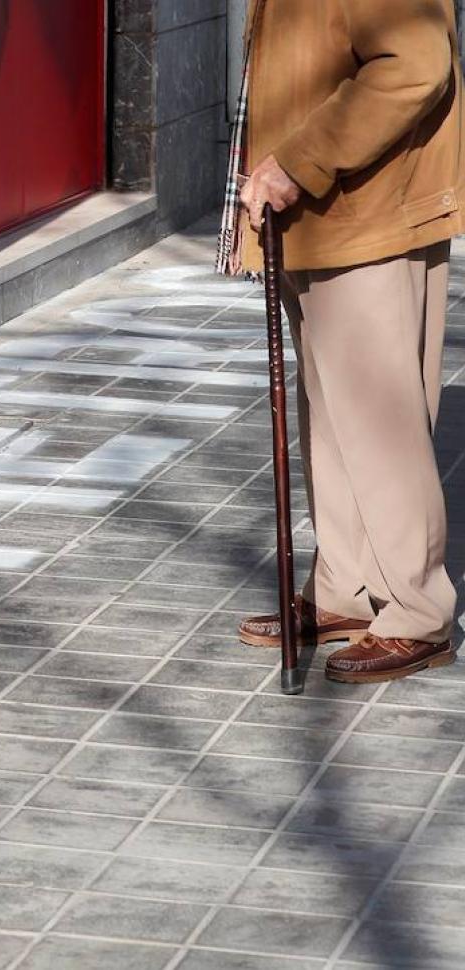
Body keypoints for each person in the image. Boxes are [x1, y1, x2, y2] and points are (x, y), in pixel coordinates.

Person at [217, 0, 463, 683]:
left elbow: (414, 65)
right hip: (321, 213)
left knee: (379, 418)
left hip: (364, 211)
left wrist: (299, 161)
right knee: (333, 415)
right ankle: (346, 589)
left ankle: (416, 611)